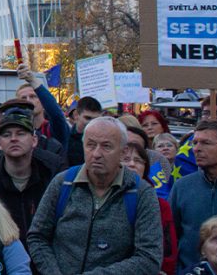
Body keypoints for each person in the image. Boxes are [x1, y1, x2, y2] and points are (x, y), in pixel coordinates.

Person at [26, 116, 162, 275]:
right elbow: (37, 236)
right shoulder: (63, 183)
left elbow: (149, 258)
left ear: (123, 151)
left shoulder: (141, 193)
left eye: (106, 146)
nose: (97, 153)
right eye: (90, 145)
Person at [0, 107, 62, 244]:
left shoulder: (53, 171)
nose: (13, 139)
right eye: (6, 135)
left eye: (21, 133)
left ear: (34, 140)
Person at [124, 142, 177, 275]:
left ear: (145, 168)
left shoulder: (160, 205)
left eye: (138, 161)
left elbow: (169, 249)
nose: (132, 164)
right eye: (125, 159)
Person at [172, 120, 217, 271]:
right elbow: (170, 234)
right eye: (195, 143)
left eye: (205, 143)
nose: (196, 149)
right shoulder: (182, 186)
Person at [66, 96, 102, 167]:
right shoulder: (65, 139)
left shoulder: (104, 141)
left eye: (96, 119)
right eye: (88, 118)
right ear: (76, 115)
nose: (92, 123)